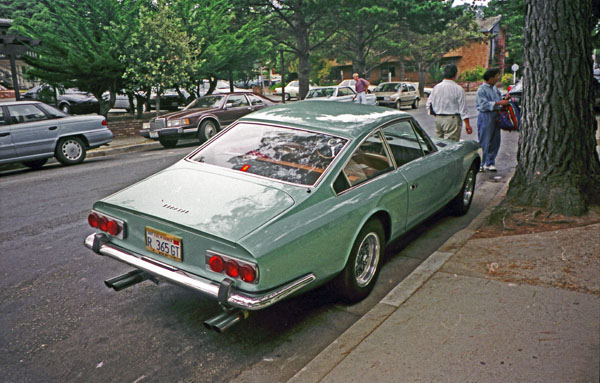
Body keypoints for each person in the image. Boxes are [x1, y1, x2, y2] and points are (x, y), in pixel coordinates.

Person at [425, 64, 472, 142]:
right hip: (451, 120)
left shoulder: (436, 87)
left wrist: (437, 115)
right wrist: (467, 125)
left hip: (438, 119)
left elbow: (429, 104)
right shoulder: (458, 89)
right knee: (450, 145)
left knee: (439, 143)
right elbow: (463, 109)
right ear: (455, 74)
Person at [476, 67, 510, 172]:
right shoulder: (481, 90)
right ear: (490, 78)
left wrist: (505, 100)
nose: (497, 78)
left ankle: (490, 162)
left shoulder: (495, 89)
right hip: (486, 116)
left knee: (495, 140)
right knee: (484, 140)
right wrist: (499, 103)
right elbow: (483, 105)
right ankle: (481, 163)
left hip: (496, 115)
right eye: (496, 76)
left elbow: (499, 100)